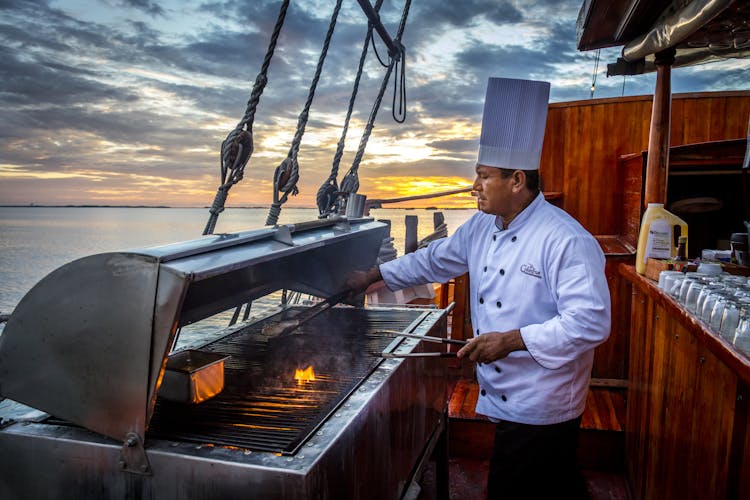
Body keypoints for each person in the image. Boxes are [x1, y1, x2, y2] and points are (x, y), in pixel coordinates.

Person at [346, 77, 611, 499]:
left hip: (543, 399)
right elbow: (434, 259)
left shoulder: (566, 239)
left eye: (483, 177)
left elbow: (590, 323)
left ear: (517, 180)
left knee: (521, 484)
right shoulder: (483, 226)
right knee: (554, 481)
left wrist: (510, 340)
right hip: (506, 392)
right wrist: (374, 275)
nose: (474, 186)